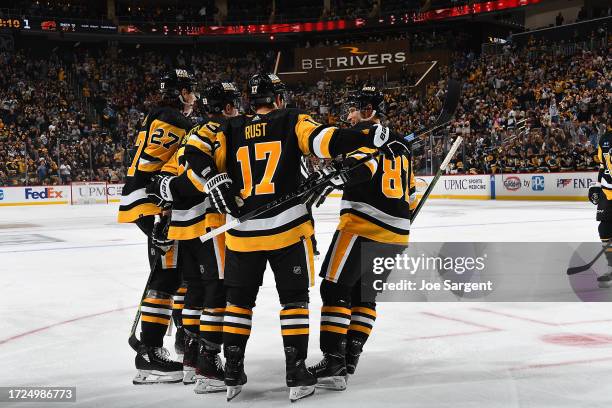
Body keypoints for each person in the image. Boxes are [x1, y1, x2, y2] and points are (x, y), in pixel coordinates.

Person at [149, 72, 409, 402]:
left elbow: (193, 154)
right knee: (295, 303)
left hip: (242, 233)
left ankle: (231, 369)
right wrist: (366, 136)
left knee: (238, 304)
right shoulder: (292, 119)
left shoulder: (230, 127)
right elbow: (326, 141)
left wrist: (213, 180)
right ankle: (296, 371)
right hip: (289, 229)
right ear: (279, 99)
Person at [308, 86, 417, 390]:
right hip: (396, 234)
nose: (349, 115)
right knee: (364, 296)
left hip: (362, 227)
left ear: (368, 111)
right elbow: (411, 194)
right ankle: (351, 355)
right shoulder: (401, 145)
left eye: (354, 109)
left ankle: (333, 361)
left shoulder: (368, 136)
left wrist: (334, 173)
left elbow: (363, 168)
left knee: (334, 290)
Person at [146, 81, 241, 392]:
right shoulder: (224, 131)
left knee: (194, 290)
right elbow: (198, 177)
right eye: (235, 104)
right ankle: (208, 367)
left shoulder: (193, 132)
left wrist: (166, 195)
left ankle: (190, 359)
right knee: (217, 289)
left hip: (184, 225)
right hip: (209, 222)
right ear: (227, 107)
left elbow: (174, 175)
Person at [117, 68, 198, 384]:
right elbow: (199, 136)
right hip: (155, 206)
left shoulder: (158, 115)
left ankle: (161, 343)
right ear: (179, 92)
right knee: (165, 277)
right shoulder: (171, 117)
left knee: (172, 274)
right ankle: (149, 352)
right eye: (189, 91)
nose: (192, 97)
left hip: (148, 203)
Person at [589, 126, 612, 287]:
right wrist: (597, 185)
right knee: (604, 229)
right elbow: (603, 165)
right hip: (607, 190)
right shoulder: (605, 138)